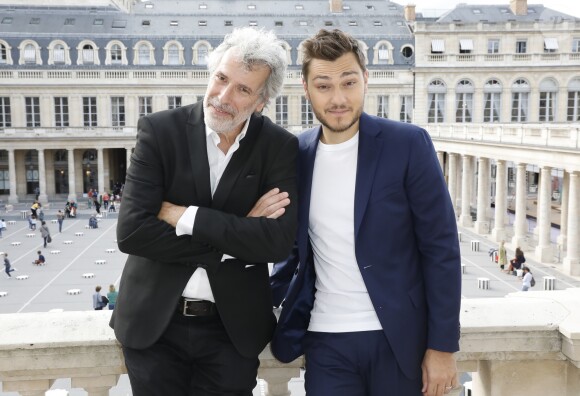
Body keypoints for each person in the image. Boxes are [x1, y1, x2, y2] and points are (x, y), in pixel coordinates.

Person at [269, 29, 461, 396]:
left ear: (365, 80)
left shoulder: (408, 144)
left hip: (399, 340)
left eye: (349, 82)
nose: (338, 98)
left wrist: (442, 346)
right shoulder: (297, 153)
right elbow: (293, 250)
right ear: (305, 88)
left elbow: (441, 249)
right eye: (323, 85)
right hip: (326, 340)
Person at [110, 27, 298, 396]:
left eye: (243, 89)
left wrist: (184, 216)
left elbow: (275, 244)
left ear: (261, 101)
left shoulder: (279, 147)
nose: (223, 96)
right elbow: (132, 232)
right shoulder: (160, 131)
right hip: (154, 326)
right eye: (221, 78)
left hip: (232, 331)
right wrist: (239, 235)